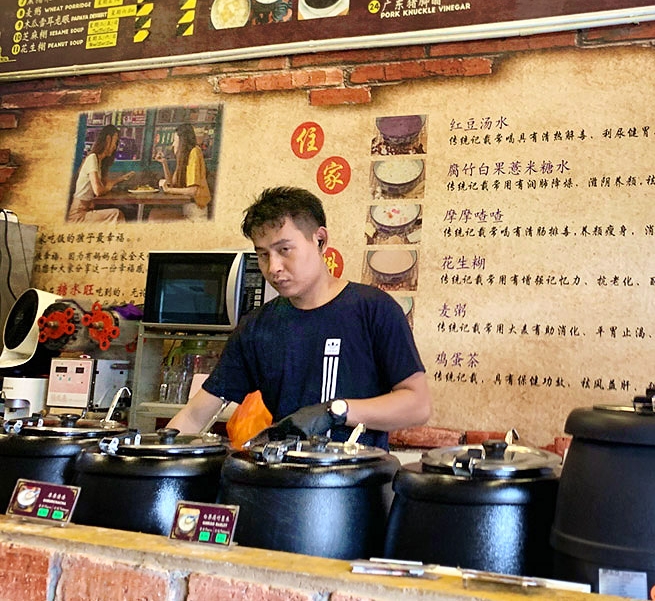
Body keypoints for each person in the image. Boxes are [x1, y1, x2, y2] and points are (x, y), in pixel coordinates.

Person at [167, 186, 431, 449]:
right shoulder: (257, 327)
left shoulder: (374, 309)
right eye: (263, 254)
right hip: (284, 481)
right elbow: (194, 414)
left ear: (320, 240)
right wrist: (156, 453)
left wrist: (334, 411)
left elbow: (417, 405)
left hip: (358, 483)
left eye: (284, 250)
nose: (273, 268)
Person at [67, 124, 134, 222]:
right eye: (115, 142)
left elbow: (106, 185)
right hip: (78, 215)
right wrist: (109, 185)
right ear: (108, 139)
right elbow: (98, 191)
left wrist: (121, 179)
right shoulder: (92, 158)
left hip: (87, 209)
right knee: (117, 215)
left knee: (121, 212)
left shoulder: (100, 162)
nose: (115, 147)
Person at [150, 123, 211, 220]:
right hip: (187, 207)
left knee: (155, 217)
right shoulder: (183, 157)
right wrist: (164, 163)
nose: (173, 144)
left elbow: (193, 190)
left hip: (196, 210)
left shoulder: (194, 152)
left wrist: (168, 190)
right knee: (154, 215)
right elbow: (171, 183)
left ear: (182, 141)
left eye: (175, 140)